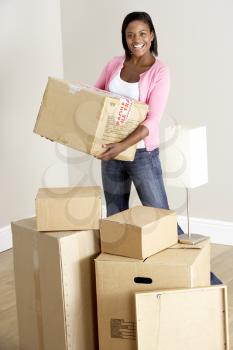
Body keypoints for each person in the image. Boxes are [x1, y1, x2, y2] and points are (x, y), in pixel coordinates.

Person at [95, 11, 222, 285]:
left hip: (141, 154)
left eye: (142, 33)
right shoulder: (114, 65)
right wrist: (65, 131)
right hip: (111, 154)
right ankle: (120, 283)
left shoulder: (159, 71)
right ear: (124, 38)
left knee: (162, 219)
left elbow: (152, 121)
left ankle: (208, 281)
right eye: (130, 34)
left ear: (151, 35)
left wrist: (122, 146)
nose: (135, 40)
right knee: (116, 219)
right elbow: (93, 101)